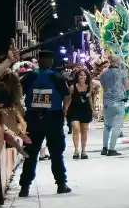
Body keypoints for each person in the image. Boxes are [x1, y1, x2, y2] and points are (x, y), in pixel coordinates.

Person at [19, 53, 71, 196]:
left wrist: (21, 111)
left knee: (31, 153)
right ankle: (61, 184)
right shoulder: (57, 77)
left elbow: (17, 94)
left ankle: (25, 186)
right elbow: (67, 96)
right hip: (53, 118)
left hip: (33, 118)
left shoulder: (29, 77)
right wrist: (64, 111)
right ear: (51, 61)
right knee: (56, 153)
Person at [98, 54, 125, 156]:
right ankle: (112, 149)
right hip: (118, 103)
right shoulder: (121, 73)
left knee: (107, 127)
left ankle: (104, 148)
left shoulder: (103, 74)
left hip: (107, 104)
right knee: (116, 127)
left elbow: (104, 86)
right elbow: (127, 87)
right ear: (117, 62)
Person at [66, 67, 94, 159]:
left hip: (85, 110)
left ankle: (84, 150)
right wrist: (65, 109)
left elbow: (90, 98)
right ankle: (76, 150)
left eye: (84, 75)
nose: (83, 76)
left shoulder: (89, 86)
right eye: (81, 75)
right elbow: (69, 98)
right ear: (77, 76)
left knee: (84, 131)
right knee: (76, 128)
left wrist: (92, 110)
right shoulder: (73, 87)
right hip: (74, 110)